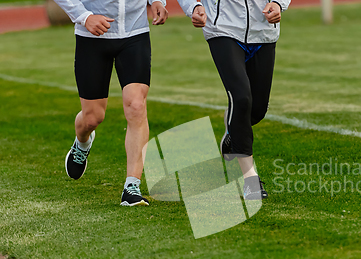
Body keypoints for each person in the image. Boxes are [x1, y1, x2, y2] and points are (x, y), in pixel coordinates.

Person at [54, 0, 168, 206]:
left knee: (136, 105)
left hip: (135, 32)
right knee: (92, 117)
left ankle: (132, 186)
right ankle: (82, 142)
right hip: (92, 34)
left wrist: (157, 1)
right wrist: (84, 16)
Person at [178, 0, 291, 200]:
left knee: (256, 110)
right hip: (222, 28)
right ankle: (250, 180)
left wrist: (278, 3)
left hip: (263, 30)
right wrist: (193, 7)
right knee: (241, 99)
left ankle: (232, 127)